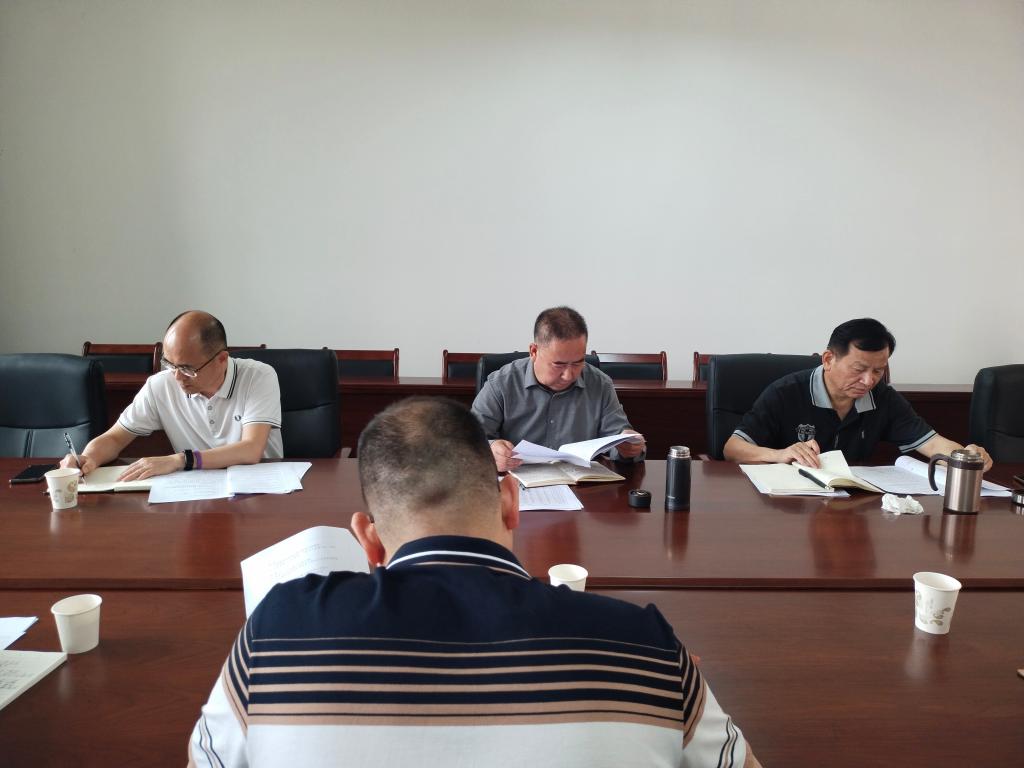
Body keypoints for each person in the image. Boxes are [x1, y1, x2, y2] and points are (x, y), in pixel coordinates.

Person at [189, 397, 759, 767]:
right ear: (512, 502)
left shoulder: (276, 632)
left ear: (368, 541)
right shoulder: (642, 644)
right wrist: (666, 675)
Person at [723, 318, 993, 470]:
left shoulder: (883, 398)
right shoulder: (785, 393)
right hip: (789, 506)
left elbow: (932, 445)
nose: (868, 381)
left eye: (878, 370)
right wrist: (780, 454)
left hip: (853, 507)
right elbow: (733, 449)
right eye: (859, 369)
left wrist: (967, 456)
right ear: (828, 359)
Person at [60, 310, 282, 480]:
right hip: (197, 488)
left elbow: (251, 449)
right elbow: (115, 437)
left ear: (221, 359)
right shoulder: (160, 385)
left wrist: (180, 460)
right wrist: (88, 458)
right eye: (169, 364)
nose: (177, 377)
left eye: (187, 368)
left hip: (260, 486)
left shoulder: (258, 376)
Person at [471, 306, 645, 472]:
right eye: (559, 364)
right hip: (517, 483)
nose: (569, 375)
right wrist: (491, 450)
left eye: (578, 363)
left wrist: (629, 447)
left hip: (581, 485)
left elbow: (618, 439)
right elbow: (468, 440)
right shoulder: (501, 384)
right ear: (533, 351)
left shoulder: (600, 384)